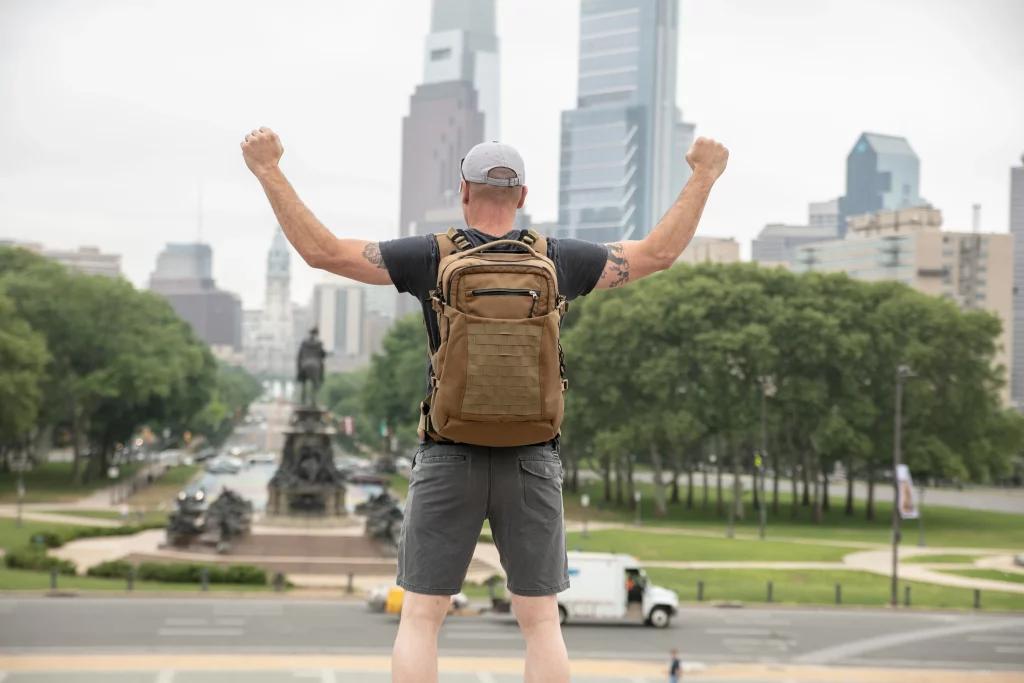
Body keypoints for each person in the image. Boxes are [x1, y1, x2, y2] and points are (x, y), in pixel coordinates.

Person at [241, 127, 728, 683]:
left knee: (423, 617)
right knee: (542, 621)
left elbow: (322, 252)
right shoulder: (560, 259)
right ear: (522, 198)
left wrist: (268, 169)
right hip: (533, 455)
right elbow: (659, 253)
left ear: (464, 193)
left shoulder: (430, 256)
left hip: (449, 453)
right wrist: (703, 174)